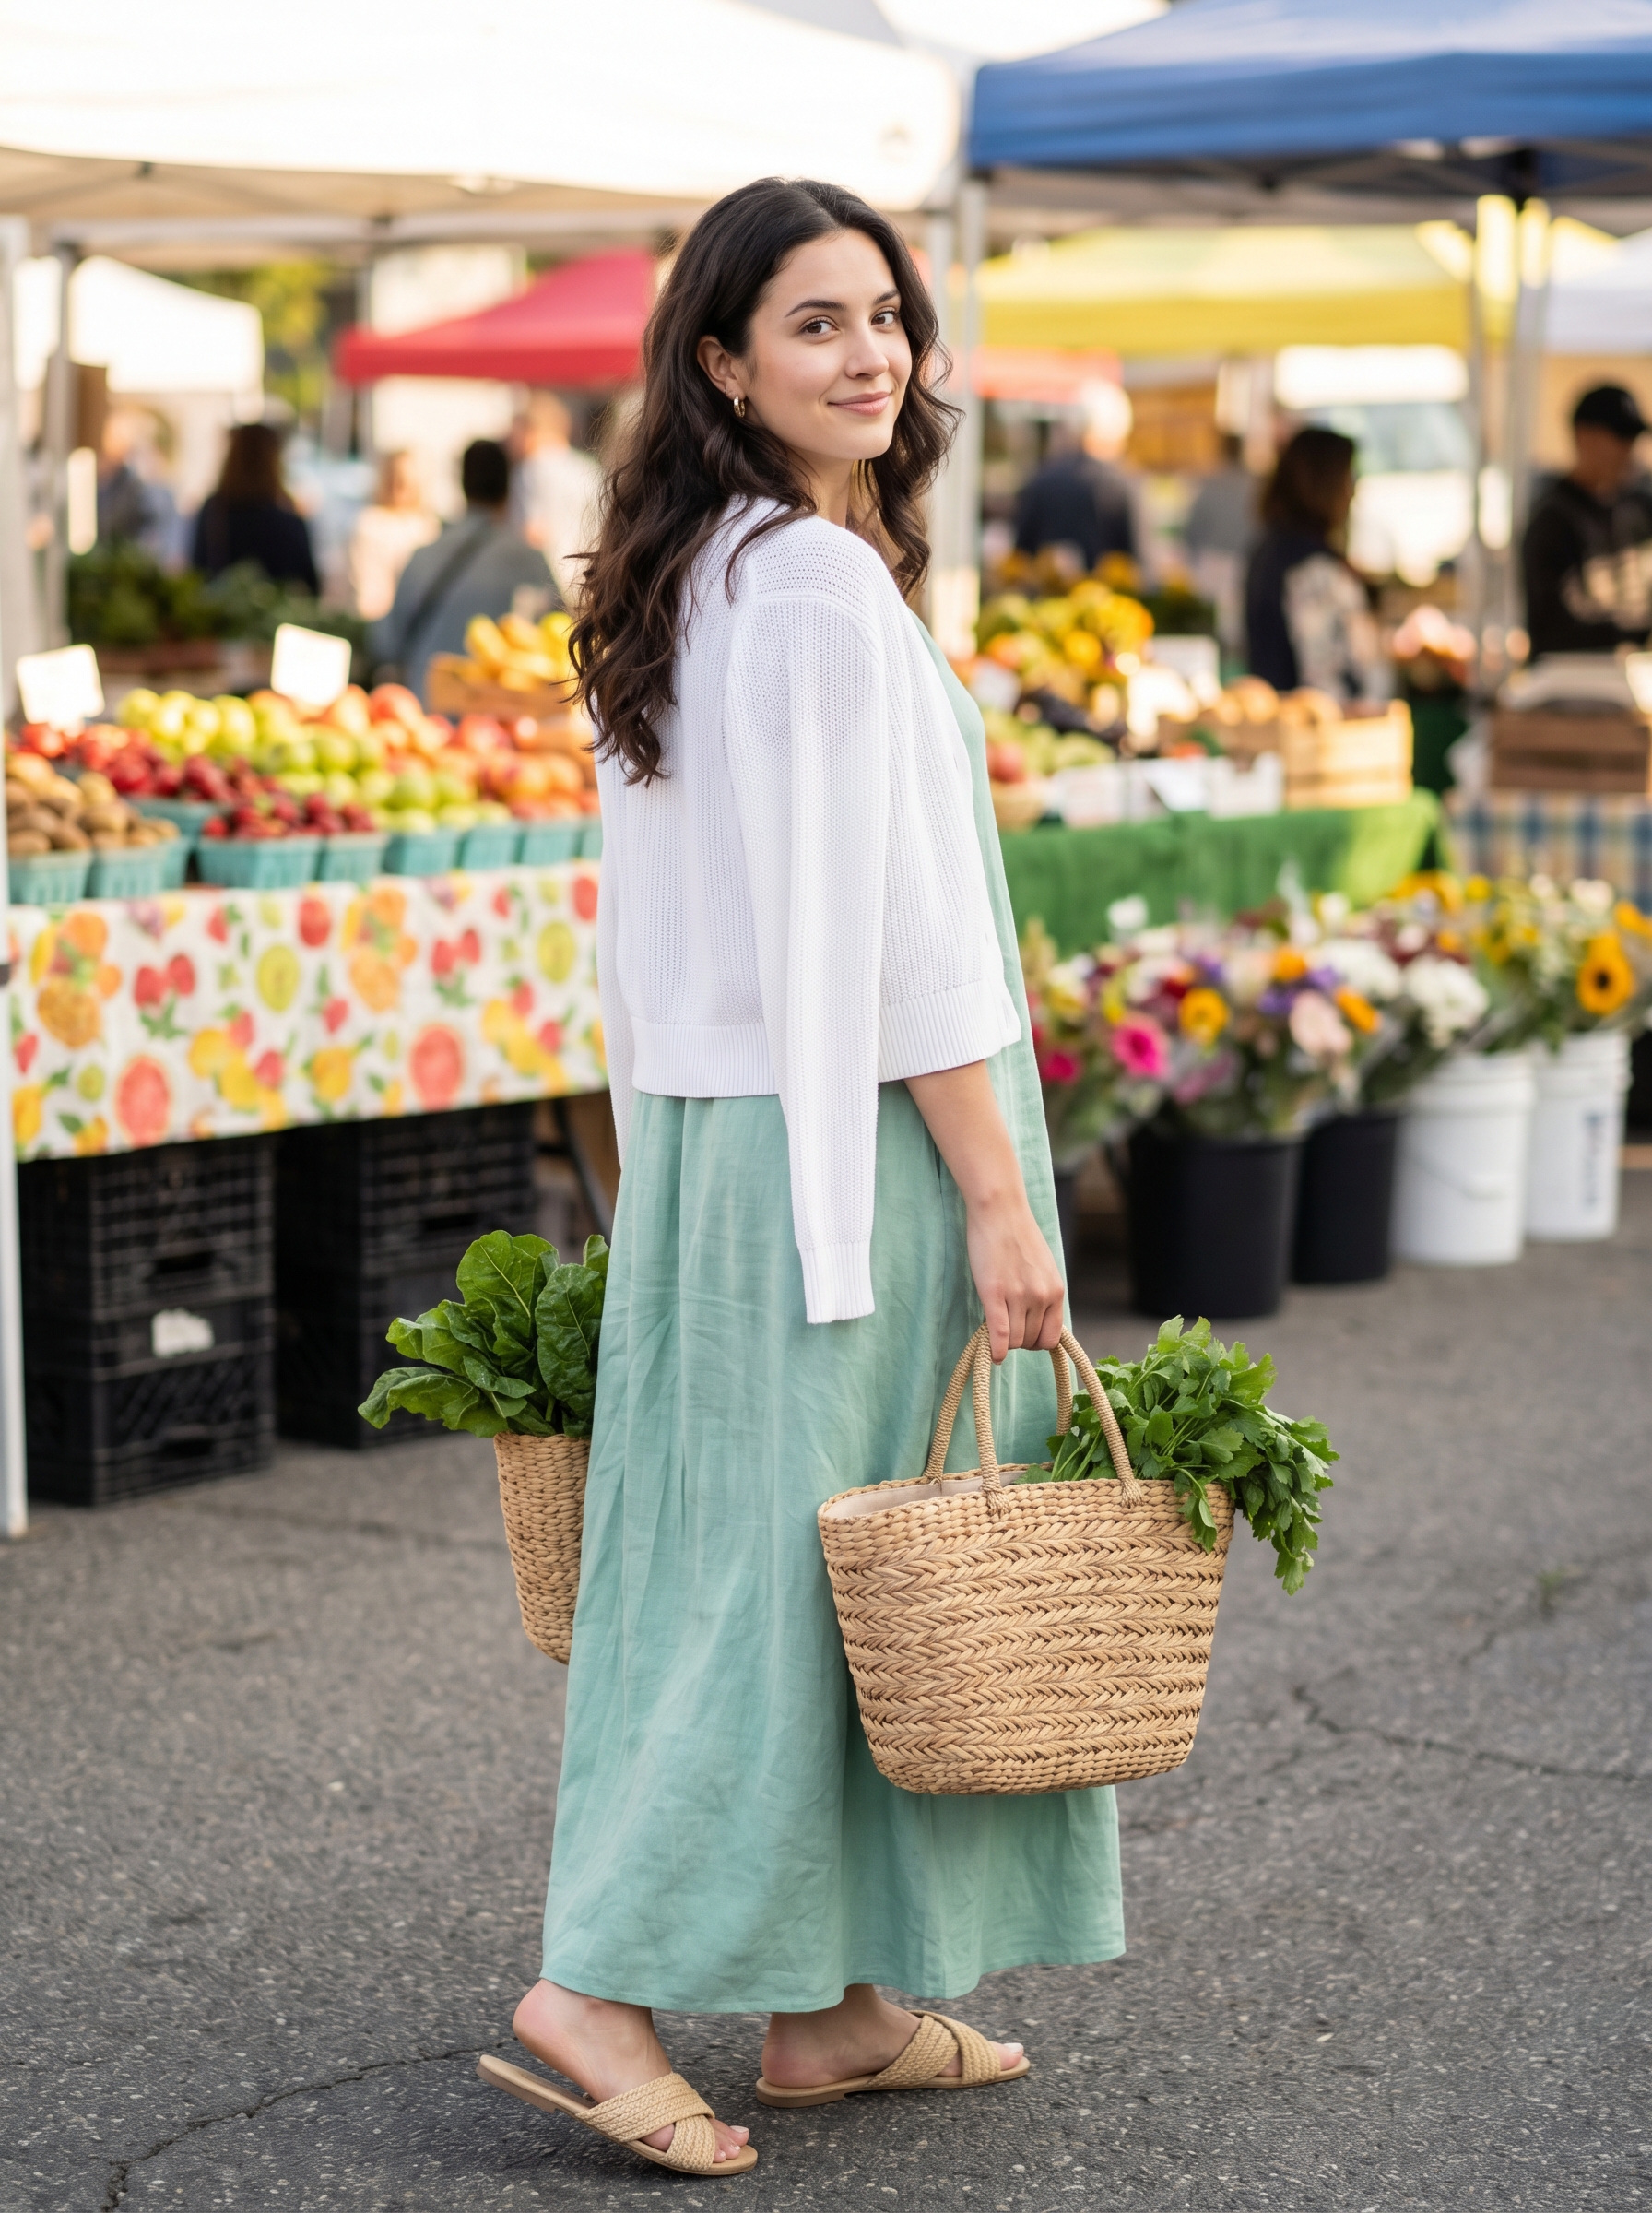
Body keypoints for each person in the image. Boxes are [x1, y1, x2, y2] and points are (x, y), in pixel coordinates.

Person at [477, 177, 1121, 2184]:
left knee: (758, 1560)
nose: (868, 355)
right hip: (840, 1147)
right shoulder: (817, 586)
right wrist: (1002, 1202)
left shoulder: (707, 567)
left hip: (720, 1145)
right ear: (722, 359)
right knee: (781, 1582)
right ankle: (596, 1981)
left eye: (885, 318)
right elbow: (905, 943)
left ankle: (826, 2007)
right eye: (817, 323)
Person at [370, 439, 556, 701]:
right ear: (507, 488)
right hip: (507, 716)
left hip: (425, 714)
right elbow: (559, 636)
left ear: (462, 485)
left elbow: (386, 642)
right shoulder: (529, 561)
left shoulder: (423, 556)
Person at [1245, 426, 1385, 700]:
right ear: (1324, 483)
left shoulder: (1269, 549)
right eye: (1348, 478)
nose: (1352, 493)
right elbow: (1327, 679)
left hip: (1285, 720)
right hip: (1318, 732)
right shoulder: (1312, 569)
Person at [1522, 385, 1652, 658]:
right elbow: (1554, 631)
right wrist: (1636, 634)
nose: (1629, 450)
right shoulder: (1552, 521)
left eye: (1633, 439)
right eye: (1620, 438)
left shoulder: (1639, 508)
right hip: (1577, 684)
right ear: (1585, 437)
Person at [1012, 385, 1138, 574]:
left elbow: (1021, 555)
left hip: (1047, 599)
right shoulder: (1122, 485)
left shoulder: (1042, 481)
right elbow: (1142, 563)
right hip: (1107, 601)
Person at [190, 422, 319, 592]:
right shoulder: (287, 520)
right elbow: (310, 585)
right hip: (275, 615)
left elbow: (197, 571)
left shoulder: (214, 512)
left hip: (222, 615)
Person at [511, 392, 603, 607]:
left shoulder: (531, 469)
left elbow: (532, 534)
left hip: (548, 588)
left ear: (530, 430)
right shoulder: (589, 468)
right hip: (590, 585)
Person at [345, 449, 439, 622]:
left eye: (403, 481)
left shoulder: (428, 527)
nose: (398, 488)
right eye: (393, 479)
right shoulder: (370, 523)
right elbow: (369, 591)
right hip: (380, 621)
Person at [1184, 431, 1257, 649]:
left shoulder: (1212, 483)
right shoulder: (1254, 483)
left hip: (1217, 563)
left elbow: (1193, 528)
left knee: (1218, 624)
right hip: (1242, 561)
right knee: (1233, 625)